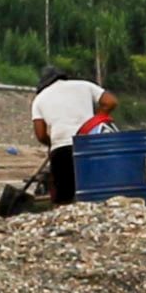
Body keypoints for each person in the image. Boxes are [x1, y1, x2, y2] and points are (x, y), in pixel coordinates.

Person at [30, 65, 109, 203]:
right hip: (88, 144)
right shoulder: (84, 85)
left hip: (61, 149)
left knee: (63, 196)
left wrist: (52, 143)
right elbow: (110, 102)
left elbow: (41, 134)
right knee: (93, 190)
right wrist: (94, 122)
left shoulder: (39, 99)